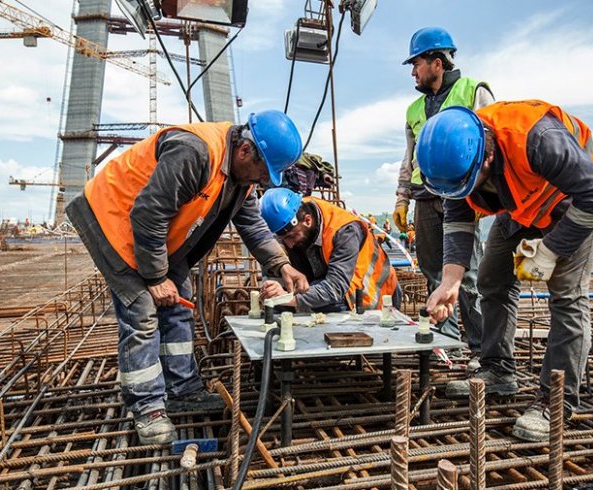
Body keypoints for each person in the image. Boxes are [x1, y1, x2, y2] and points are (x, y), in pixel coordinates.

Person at [66, 110, 308, 445]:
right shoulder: (195, 152)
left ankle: (181, 388)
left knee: (180, 300)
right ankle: (147, 407)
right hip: (113, 221)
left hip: (157, 235)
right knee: (142, 309)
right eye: (263, 172)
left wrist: (282, 265)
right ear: (244, 151)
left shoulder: (241, 178)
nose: (263, 181)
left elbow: (252, 226)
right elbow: (149, 212)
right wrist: (153, 277)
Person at [418, 101, 593, 442]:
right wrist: (450, 281)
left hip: (576, 203)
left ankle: (556, 401)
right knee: (491, 276)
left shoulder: (538, 140)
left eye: (468, 184)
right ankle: (497, 369)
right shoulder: (454, 163)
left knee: (567, 296)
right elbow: (458, 217)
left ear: (487, 156)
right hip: (524, 204)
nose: (463, 194)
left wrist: (550, 251)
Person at [393, 26, 493, 367]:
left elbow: (489, 143)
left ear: (437, 62)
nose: (413, 72)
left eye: (416, 63)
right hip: (425, 196)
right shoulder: (413, 110)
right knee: (434, 271)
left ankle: (481, 348)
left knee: (468, 275)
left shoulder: (472, 90)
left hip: (464, 193)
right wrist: (401, 198)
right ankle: (448, 345)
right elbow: (409, 158)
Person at [258, 188, 401, 312]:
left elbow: (335, 288)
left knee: (324, 305)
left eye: (292, 236)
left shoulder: (345, 231)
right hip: (328, 285)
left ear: (308, 220)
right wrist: (273, 287)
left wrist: (288, 299)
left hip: (371, 294)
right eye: (284, 240)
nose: (289, 245)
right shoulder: (286, 221)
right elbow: (273, 270)